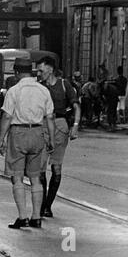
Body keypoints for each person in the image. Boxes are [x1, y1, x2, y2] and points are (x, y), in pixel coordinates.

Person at [0, 58, 56, 229]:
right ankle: (36, 217)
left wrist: (1, 138)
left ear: (16, 72)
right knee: (35, 177)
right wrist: (51, 139)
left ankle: (22, 217)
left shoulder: (14, 90)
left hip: (18, 133)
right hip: (38, 132)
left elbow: (7, 116)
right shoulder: (44, 90)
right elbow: (50, 117)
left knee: (17, 177)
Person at [37, 56, 81, 218]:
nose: (39, 73)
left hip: (60, 126)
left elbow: (76, 106)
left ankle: (48, 205)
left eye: (41, 70)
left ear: (50, 69)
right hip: (43, 126)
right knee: (40, 168)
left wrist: (75, 127)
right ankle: (41, 205)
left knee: (56, 167)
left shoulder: (64, 85)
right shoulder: (39, 87)